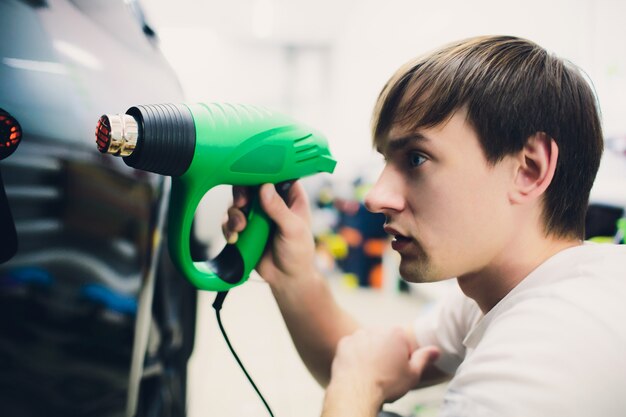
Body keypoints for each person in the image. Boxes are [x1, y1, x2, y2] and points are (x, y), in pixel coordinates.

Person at [223, 35, 626, 417]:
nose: (375, 196)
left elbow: (360, 379)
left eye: (416, 158)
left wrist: (356, 386)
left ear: (528, 169)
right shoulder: (505, 288)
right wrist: (293, 276)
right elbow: (367, 363)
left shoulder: (547, 351)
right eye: (386, 161)